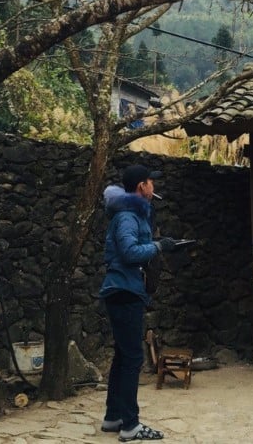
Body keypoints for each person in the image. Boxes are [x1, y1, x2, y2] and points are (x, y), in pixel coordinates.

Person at [99, 164, 170, 441]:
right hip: (125, 291)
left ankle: (112, 417)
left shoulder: (130, 214)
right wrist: (160, 246)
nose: (154, 187)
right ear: (142, 186)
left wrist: (158, 243)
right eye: (152, 182)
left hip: (123, 291)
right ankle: (130, 425)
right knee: (132, 359)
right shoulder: (128, 216)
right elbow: (129, 253)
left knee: (123, 356)